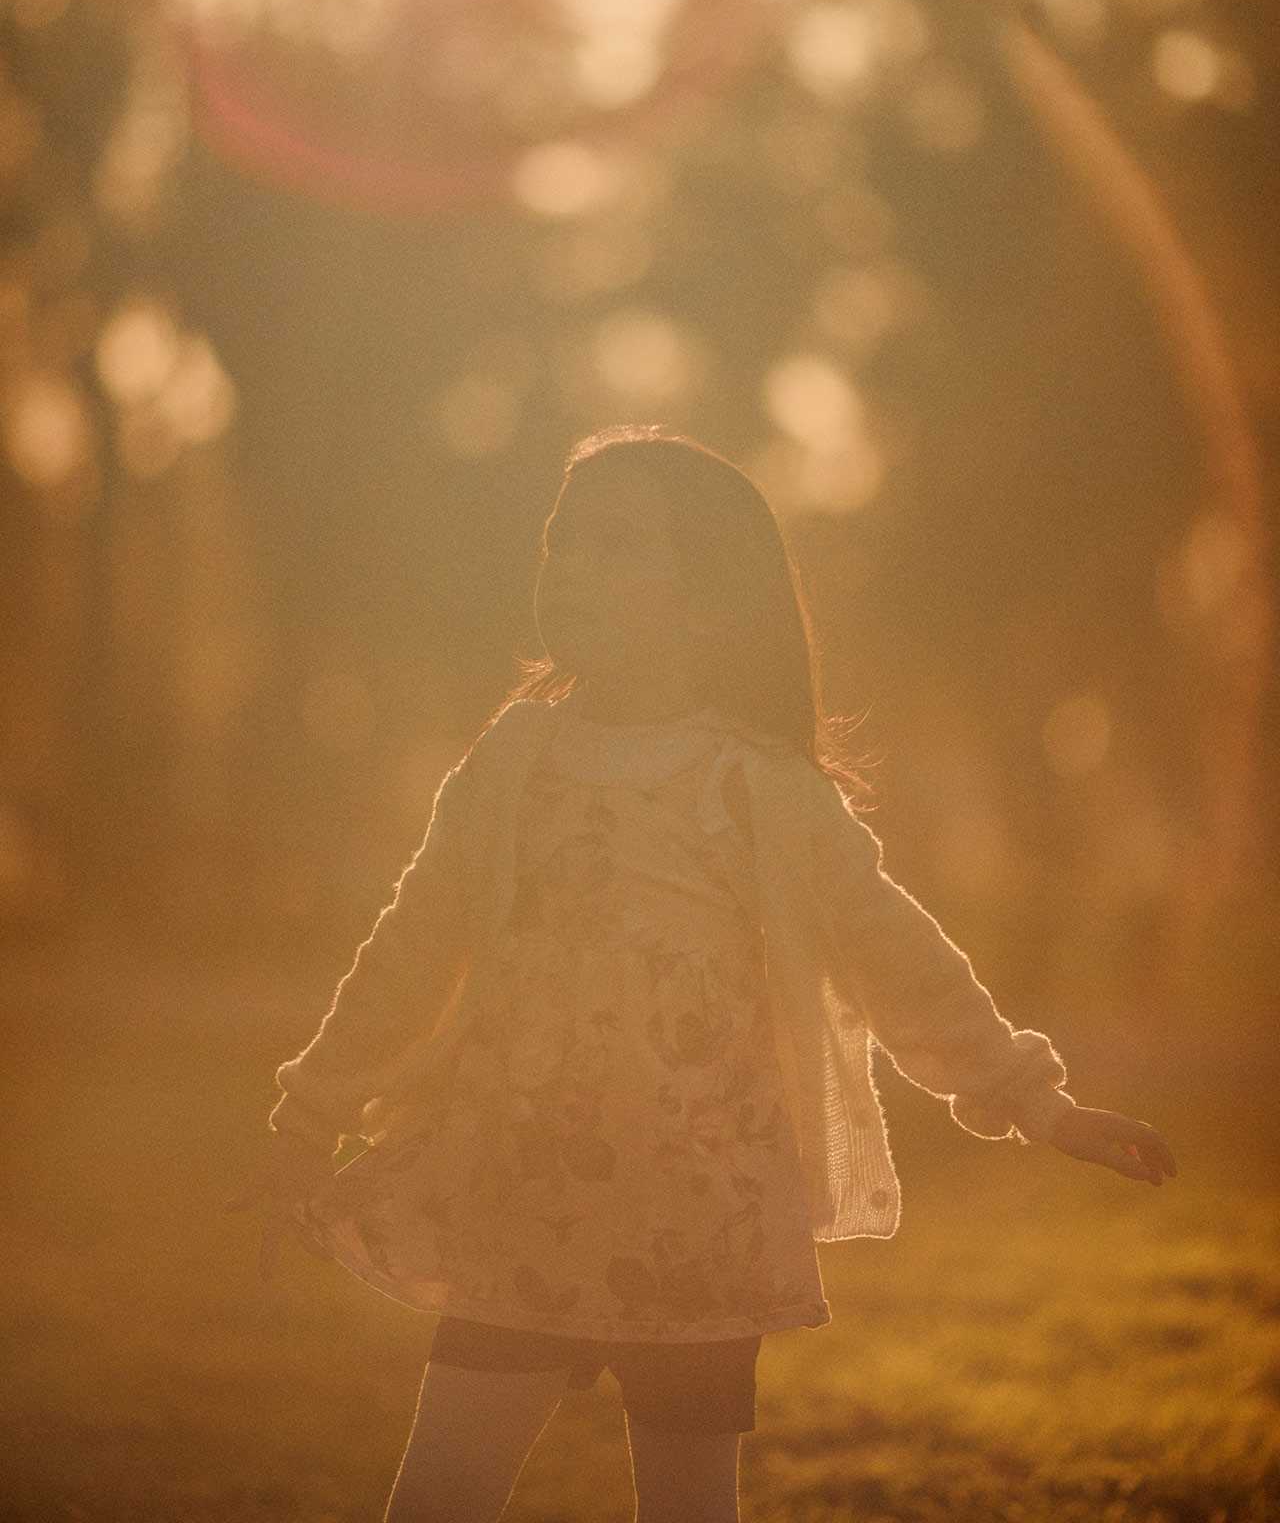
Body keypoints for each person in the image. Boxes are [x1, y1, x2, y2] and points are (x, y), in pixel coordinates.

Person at [229, 424, 1176, 1523]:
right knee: (436, 1499)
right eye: (560, 541)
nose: (570, 566)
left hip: (702, 1224)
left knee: (687, 1507)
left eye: (618, 546)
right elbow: (409, 946)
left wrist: (1034, 1105)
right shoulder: (512, 759)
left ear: (709, 602)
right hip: (523, 1203)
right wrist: (310, 1113)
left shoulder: (757, 783)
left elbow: (890, 949)